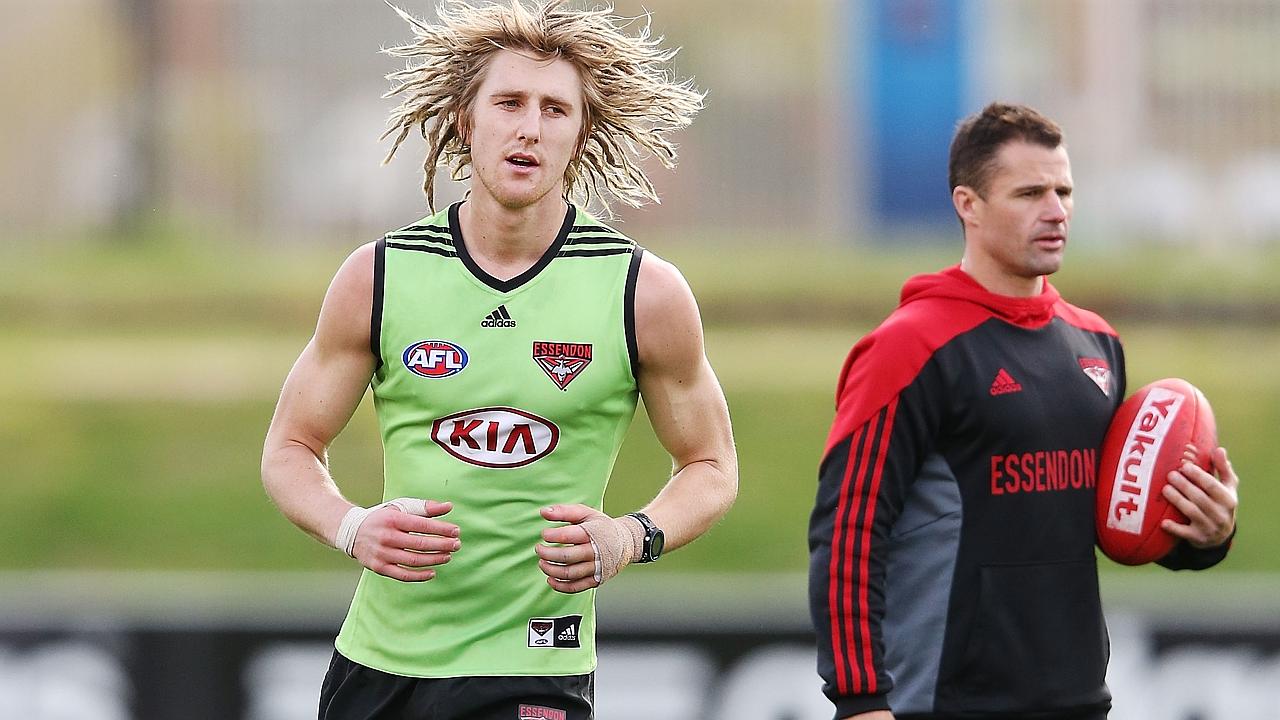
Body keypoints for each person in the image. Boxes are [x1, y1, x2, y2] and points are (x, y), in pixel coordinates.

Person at [260, 2, 737, 718]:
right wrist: (353, 526)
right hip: (380, 666)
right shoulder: (379, 275)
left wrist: (626, 538)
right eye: (509, 102)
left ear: (579, 137)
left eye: (555, 110)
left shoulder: (644, 292)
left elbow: (712, 465)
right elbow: (290, 449)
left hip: (533, 667)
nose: (529, 128)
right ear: (466, 120)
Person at [808, 102, 1239, 720]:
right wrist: (860, 701)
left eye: (1064, 190)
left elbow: (1100, 513)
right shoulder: (911, 347)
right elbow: (848, 533)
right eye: (1030, 192)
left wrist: (1203, 536)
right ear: (968, 205)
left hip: (1077, 701)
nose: (1056, 210)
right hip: (944, 702)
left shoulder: (1097, 345)